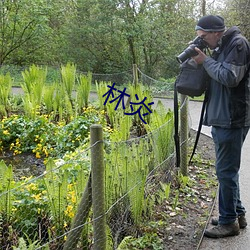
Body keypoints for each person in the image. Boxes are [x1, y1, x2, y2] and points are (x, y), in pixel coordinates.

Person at [192, 15, 250, 238]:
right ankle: (237, 214)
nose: (203, 41)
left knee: (225, 171)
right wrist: (202, 60)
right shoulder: (221, 46)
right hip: (222, 117)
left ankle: (228, 223)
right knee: (227, 171)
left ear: (216, 32)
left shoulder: (238, 44)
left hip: (232, 118)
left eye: (204, 37)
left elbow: (229, 77)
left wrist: (205, 61)